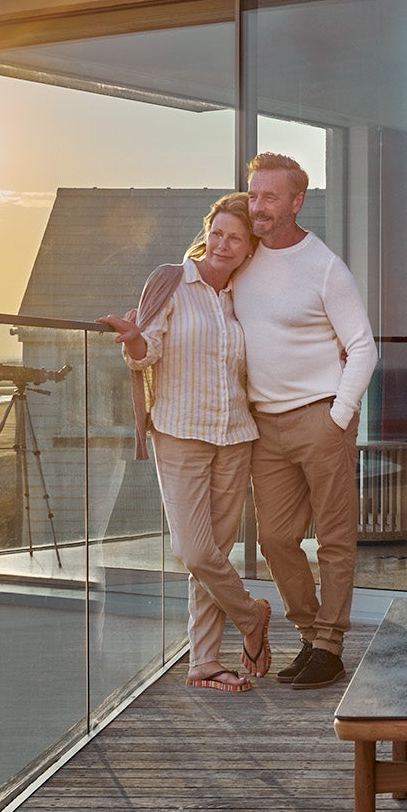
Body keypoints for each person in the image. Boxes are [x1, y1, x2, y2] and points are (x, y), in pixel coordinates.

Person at [103, 194, 274, 693]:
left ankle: (204, 661)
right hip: (180, 433)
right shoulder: (172, 280)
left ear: (248, 250)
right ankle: (252, 616)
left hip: (236, 435)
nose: (223, 244)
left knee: (216, 551)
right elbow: (146, 352)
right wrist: (134, 338)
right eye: (217, 232)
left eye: (235, 238)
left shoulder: (243, 297)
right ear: (208, 233)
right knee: (194, 551)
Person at [231, 151, 376, 689]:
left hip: (320, 417)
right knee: (274, 540)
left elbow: (363, 346)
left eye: (270, 196)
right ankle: (311, 634)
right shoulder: (244, 261)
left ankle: (330, 647)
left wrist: (337, 417)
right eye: (253, 194)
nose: (258, 206)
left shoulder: (324, 266)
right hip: (265, 426)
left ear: (297, 201)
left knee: (335, 540)